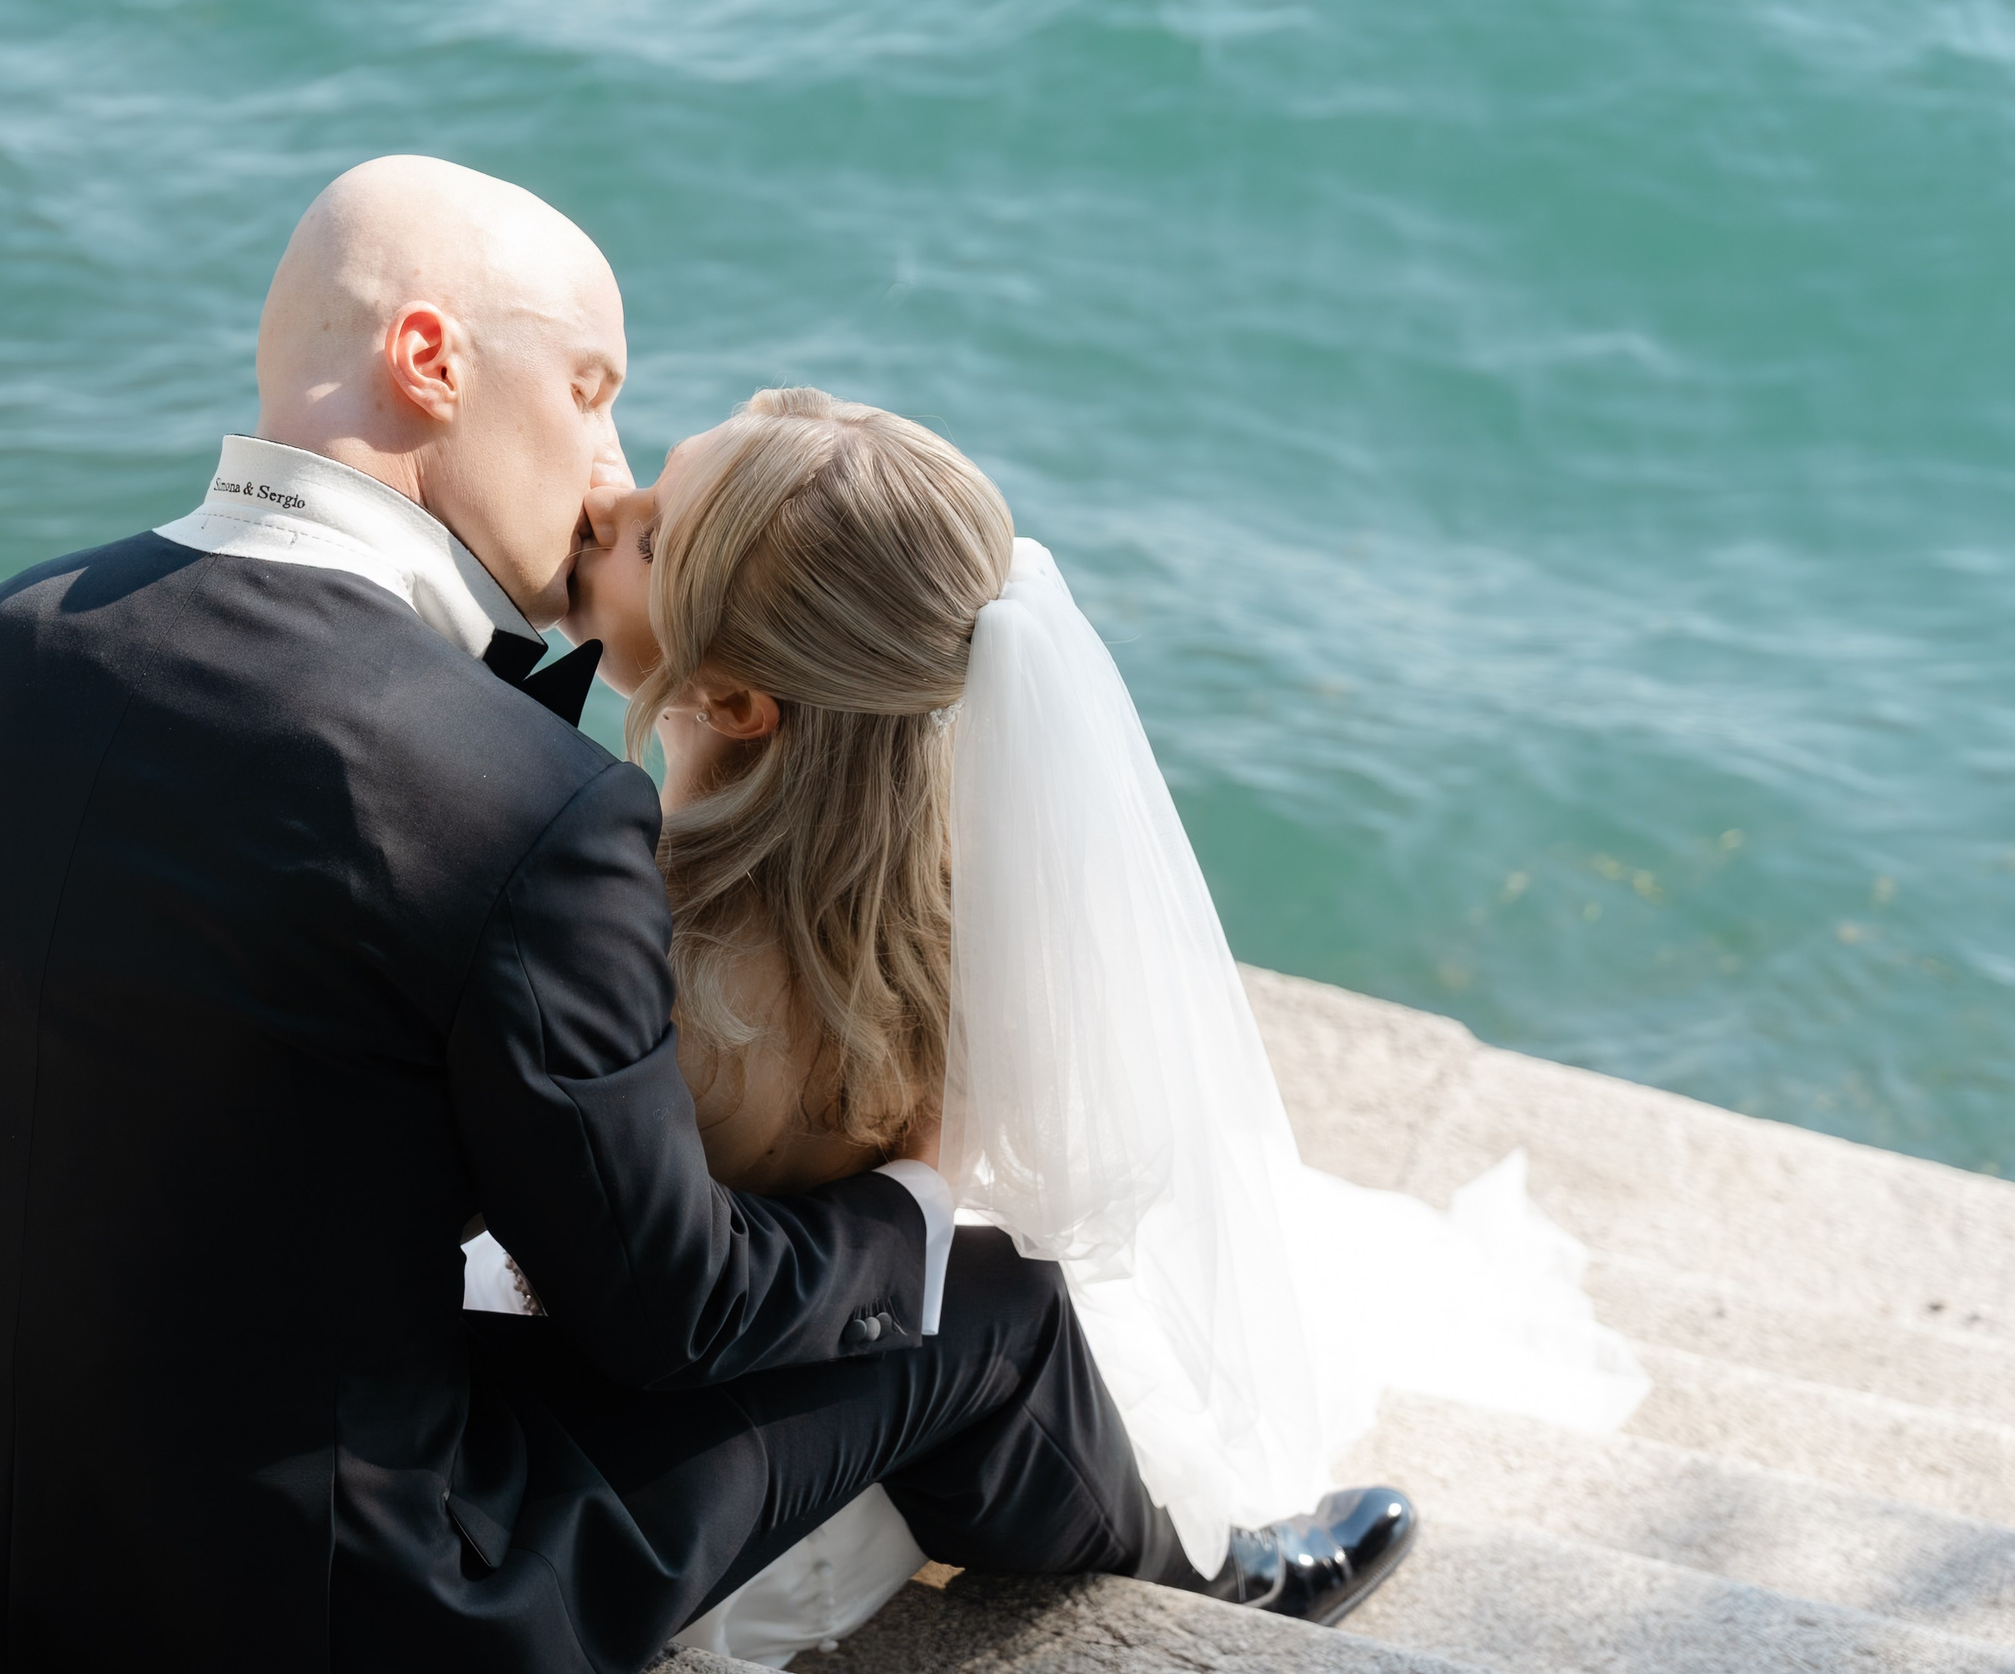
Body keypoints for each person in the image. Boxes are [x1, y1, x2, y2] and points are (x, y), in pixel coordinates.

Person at [0, 157, 1408, 1674]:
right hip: (311, 1611)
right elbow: (671, 1310)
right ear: (428, 359)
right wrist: (914, 1203)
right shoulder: (524, 798)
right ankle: (1214, 1591)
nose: (611, 469)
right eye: (593, 388)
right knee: (989, 1299)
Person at [542, 388, 1645, 1667]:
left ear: (734, 703)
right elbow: (939, 1206)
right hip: (839, 1361)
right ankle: (1212, 1573)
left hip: (667, 1410)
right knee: (1002, 1297)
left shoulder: (626, 920)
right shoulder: (959, 908)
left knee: (998, 1317)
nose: (599, 507)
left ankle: (1200, 1573)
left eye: (649, 537)